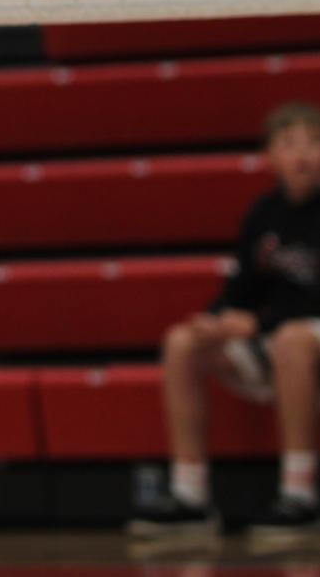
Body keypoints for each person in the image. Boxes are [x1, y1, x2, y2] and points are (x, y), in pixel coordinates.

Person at [131, 100, 320, 540]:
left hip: (300, 338)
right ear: (269, 156)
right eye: (289, 143)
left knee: (292, 339)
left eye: (314, 143)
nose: (302, 154)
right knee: (182, 342)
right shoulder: (263, 214)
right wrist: (215, 321)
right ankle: (190, 496)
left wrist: (261, 324)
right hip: (277, 337)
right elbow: (240, 291)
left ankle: (299, 494)